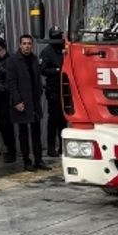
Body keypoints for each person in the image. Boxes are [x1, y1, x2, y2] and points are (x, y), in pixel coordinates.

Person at [5, 33, 46, 170]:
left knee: (36, 132)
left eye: (29, 43)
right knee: (23, 133)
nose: (27, 46)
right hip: (22, 102)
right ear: (20, 45)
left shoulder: (34, 59)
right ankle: (27, 161)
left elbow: (37, 77)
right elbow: (11, 82)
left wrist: (39, 92)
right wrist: (17, 101)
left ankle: (39, 160)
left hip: (34, 102)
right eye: (24, 43)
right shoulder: (13, 60)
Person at [40, 27, 67, 158]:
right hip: (53, 90)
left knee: (63, 119)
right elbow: (42, 69)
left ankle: (63, 146)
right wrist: (57, 71)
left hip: (65, 89)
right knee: (53, 119)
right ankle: (51, 147)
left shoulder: (64, 49)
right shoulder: (47, 52)